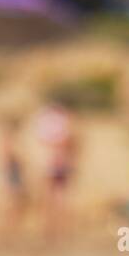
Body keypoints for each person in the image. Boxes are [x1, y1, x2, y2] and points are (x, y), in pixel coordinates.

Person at [35, 101, 78, 243]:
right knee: (56, 198)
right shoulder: (62, 120)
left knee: (55, 198)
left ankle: (55, 232)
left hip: (55, 163)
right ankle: (54, 231)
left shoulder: (50, 119)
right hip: (56, 162)